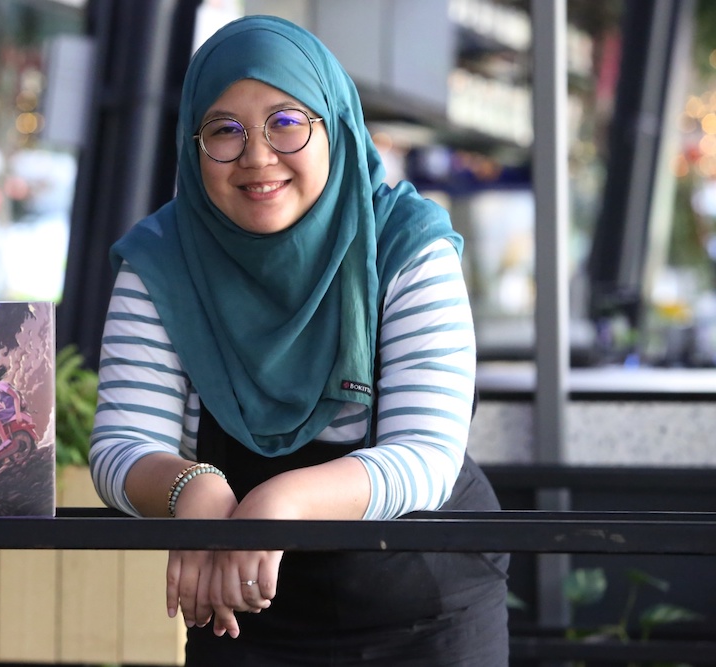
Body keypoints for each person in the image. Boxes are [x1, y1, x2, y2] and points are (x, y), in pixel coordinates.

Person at [88, 14, 509, 666]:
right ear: (191, 144)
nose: (257, 155)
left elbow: (426, 453)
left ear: (335, 126)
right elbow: (122, 443)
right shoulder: (162, 262)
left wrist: (280, 501)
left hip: (425, 611)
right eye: (224, 131)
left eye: (286, 122)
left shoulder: (406, 244)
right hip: (243, 613)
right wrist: (192, 490)